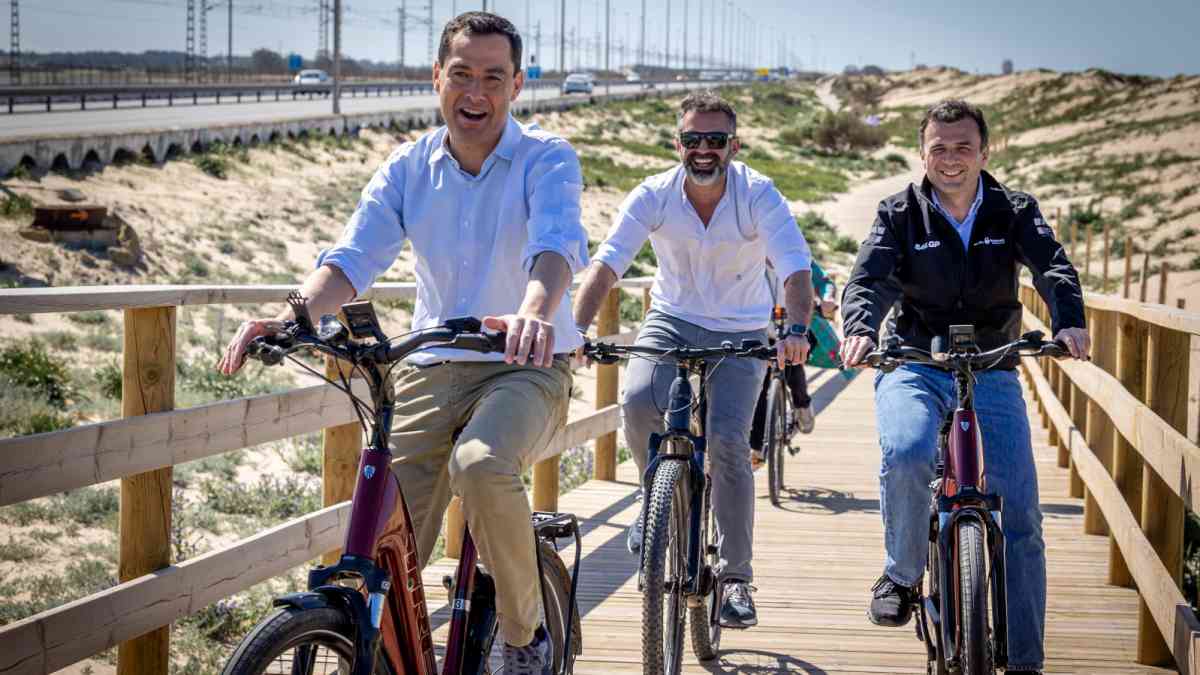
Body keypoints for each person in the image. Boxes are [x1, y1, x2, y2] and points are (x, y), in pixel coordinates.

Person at [216, 13, 588, 675]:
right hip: (430, 366)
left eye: (493, 78)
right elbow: (354, 258)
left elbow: (555, 246)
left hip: (523, 362)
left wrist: (534, 311)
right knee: (390, 543)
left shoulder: (547, 158)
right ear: (436, 79)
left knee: (480, 463)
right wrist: (291, 315)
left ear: (518, 85)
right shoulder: (409, 166)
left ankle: (525, 636)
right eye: (463, 75)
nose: (477, 92)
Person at [839, 99, 1090, 675]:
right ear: (923, 153)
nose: (951, 160)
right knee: (906, 452)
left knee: (1022, 513)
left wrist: (1068, 318)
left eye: (962, 147)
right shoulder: (898, 212)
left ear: (984, 151)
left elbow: (1052, 267)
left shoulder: (1014, 210)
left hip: (994, 365)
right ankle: (902, 574)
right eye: (939, 149)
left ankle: (1026, 659)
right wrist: (859, 329)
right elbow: (869, 278)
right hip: (913, 362)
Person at [572, 91, 814, 629]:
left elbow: (795, 266)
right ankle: (652, 497)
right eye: (692, 139)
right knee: (636, 402)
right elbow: (608, 265)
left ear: (735, 144)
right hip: (671, 318)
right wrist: (576, 329)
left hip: (742, 329)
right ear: (677, 143)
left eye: (716, 140)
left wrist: (796, 330)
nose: (703, 149)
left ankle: (735, 578)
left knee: (728, 440)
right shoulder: (654, 194)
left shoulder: (758, 194)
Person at [749, 259, 837, 463]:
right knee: (760, 385)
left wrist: (827, 300)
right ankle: (757, 447)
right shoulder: (748, 255)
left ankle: (801, 404)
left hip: (796, 330)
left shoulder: (795, 253)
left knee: (793, 363)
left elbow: (824, 283)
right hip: (762, 330)